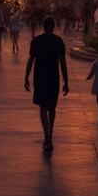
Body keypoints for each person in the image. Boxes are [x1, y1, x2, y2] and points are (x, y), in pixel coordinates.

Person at [24, 16, 69, 153]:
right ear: (53, 27)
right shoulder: (58, 41)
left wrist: (26, 77)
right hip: (53, 78)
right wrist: (66, 82)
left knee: (43, 108)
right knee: (52, 108)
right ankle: (50, 132)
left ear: (43, 26)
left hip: (40, 78)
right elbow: (62, 63)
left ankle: (46, 135)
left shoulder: (36, 42)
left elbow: (31, 60)